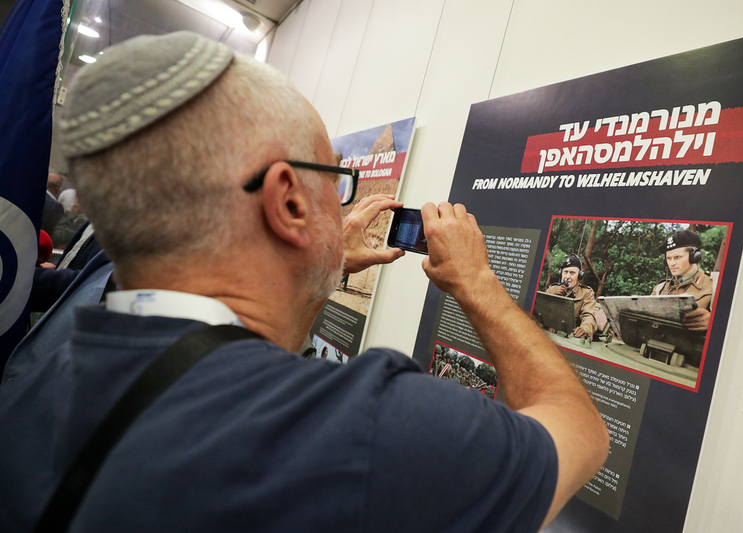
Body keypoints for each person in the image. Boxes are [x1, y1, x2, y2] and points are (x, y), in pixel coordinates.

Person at [0, 32, 607, 532]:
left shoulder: (33, 383)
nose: (342, 206)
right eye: (335, 181)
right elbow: (578, 431)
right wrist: (476, 281)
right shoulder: (370, 430)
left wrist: (316, 263)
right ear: (288, 203)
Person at [651, 230, 713, 332]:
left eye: (677, 257)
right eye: (669, 258)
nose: (671, 263)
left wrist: (713, 322)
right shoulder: (660, 289)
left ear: (694, 257)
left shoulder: (715, 285)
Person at [545, 253, 597, 338]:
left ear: (579, 275)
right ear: (561, 273)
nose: (567, 277)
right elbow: (541, 312)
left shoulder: (586, 293)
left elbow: (588, 315)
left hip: (570, 337)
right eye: (565, 272)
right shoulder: (552, 289)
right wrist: (555, 298)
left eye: (572, 273)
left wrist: (585, 329)